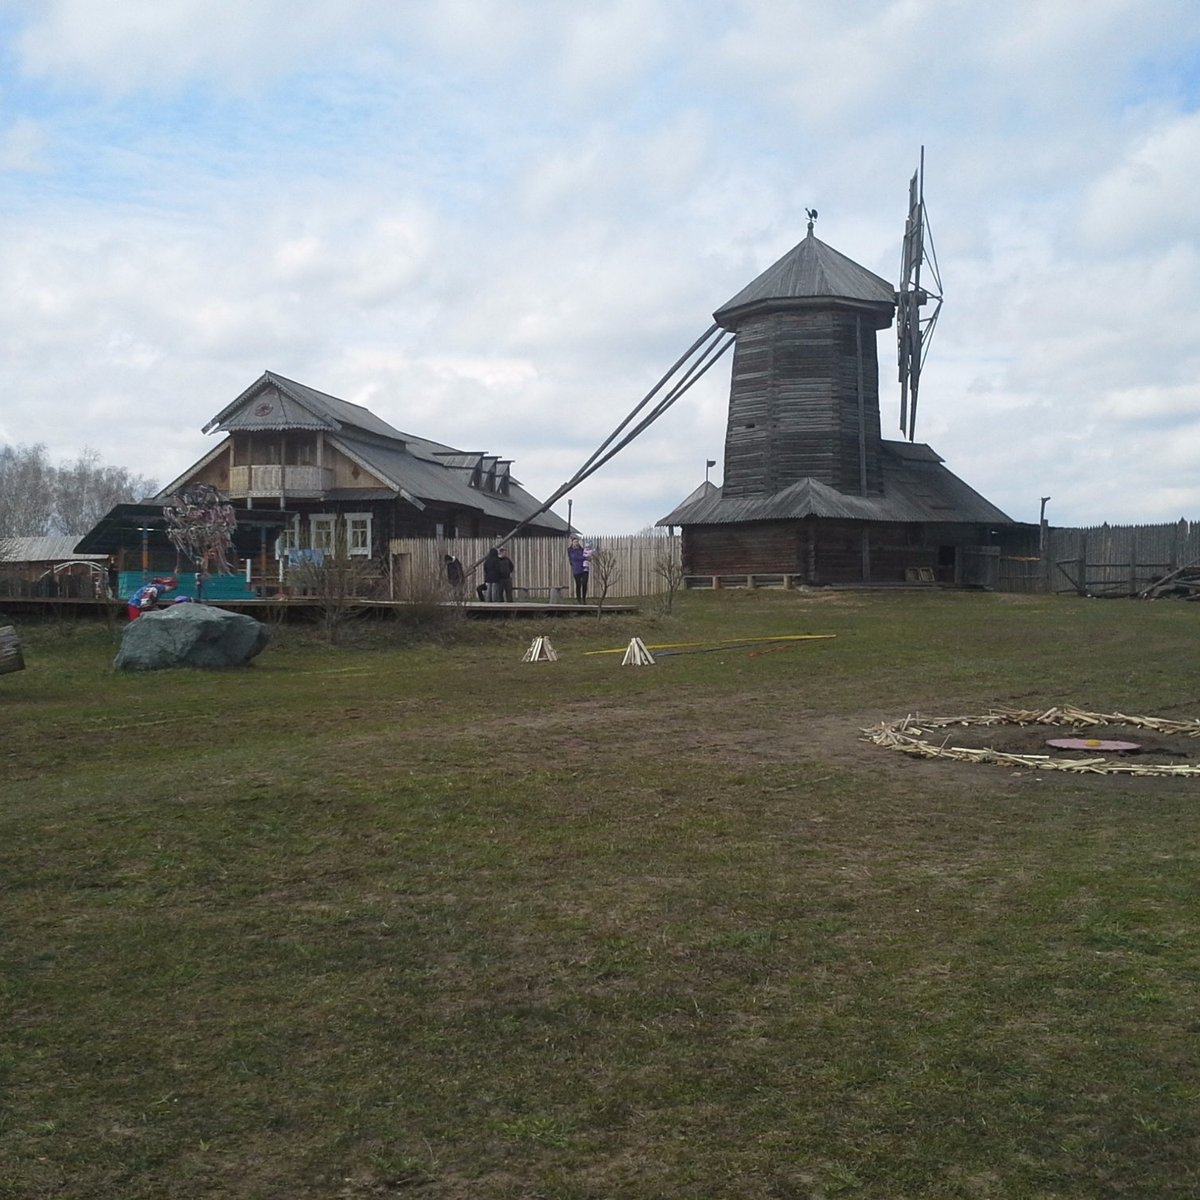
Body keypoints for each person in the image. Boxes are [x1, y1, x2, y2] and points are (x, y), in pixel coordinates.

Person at [567, 536, 590, 602]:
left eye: (577, 542)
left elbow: (587, 557)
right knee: (578, 584)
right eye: (575, 542)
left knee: (585, 583)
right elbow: (574, 557)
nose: (576, 543)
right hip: (576, 569)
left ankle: (584, 599)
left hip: (584, 569)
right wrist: (584, 558)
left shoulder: (582, 550)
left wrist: (588, 557)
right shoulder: (570, 550)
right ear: (572, 543)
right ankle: (578, 600)